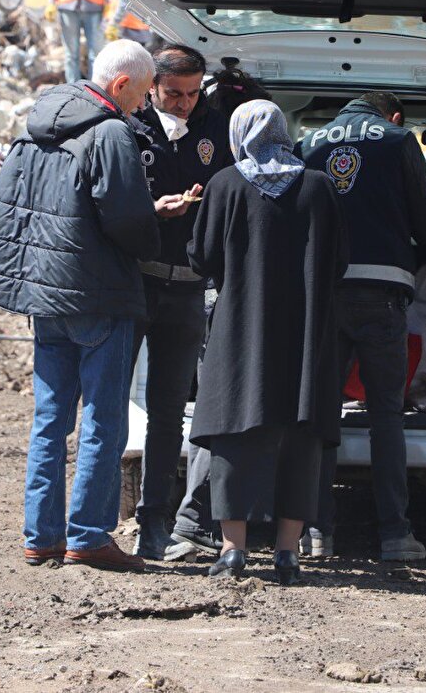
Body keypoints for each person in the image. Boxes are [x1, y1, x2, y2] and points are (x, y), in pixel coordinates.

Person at [0, 40, 194, 572]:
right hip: (99, 296)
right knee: (104, 419)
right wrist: (155, 222)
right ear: (121, 85)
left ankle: (41, 536)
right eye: (144, 95)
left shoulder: (36, 128)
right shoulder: (111, 133)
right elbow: (124, 222)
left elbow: (20, 210)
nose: (145, 107)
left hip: (45, 297)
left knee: (50, 419)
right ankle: (89, 536)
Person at [188, 100, 346, 584]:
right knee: (301, 438)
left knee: (234, 436)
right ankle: (287, 553)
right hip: (305, 335)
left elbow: (202, 256)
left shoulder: (225, 184)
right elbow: (338, 261)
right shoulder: (319, 186)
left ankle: (233, 550)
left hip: (239, 331)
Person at [298, 91, 426, 562]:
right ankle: (396, 536)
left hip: (324, 294)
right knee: (385, 417)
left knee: (322, 416)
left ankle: (317, 533)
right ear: (393, 115)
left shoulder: (309, 142)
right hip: (382, 295)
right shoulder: (399, 140)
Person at [162, 63, 275, 563]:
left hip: (215, 301)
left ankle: (199, 522)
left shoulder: (216, 165)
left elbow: (202, 252)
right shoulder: (296, 182)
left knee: (215, 413)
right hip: (259, 311)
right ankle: (259, 521)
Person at [129, 44, 235, 560]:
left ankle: (156, 522)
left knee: (169, 414)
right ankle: (100, 519)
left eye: (194, 93)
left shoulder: (215, 130)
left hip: (191, 289)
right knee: (107, 407)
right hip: (137, 286)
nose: (185, 104)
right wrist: (153, 211)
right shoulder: (129, 129)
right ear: (152, 87)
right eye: (174, 94)